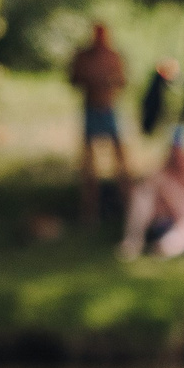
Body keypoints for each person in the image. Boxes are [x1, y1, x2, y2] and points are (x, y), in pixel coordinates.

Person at [67, 23, 132, 227]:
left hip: (108, 110)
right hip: (91, 110)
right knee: (89, 167)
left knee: (121, 163)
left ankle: (127, 207)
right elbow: (73, 79)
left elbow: (122, 81)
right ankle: (89, 213)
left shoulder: (114, 56)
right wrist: (90, 80)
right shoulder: (83, 57)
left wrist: (108, 83)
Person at [119, 138, 184, 259]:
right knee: (143, 194)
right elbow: (143, 191)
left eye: (181, 151)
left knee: (183, 233)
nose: (177, 156)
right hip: (164, 220)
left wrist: (168, 190)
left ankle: (166, 244)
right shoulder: (164, 171)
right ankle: (133, 240)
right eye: (174, 151)